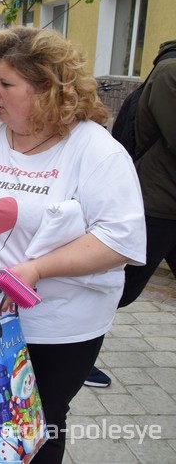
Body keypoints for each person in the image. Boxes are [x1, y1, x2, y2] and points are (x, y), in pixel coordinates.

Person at [0, 27, 145, 464]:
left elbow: (119, 240)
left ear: (48, 88)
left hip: (57, 328)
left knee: (40, 425)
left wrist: (37, 269)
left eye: (6, 83)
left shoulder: (95, 151)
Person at [87, 39, 176, 388]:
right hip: (158, 201)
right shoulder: (170, 71)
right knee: (121, 287)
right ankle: (81, 353)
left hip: (167, 199)